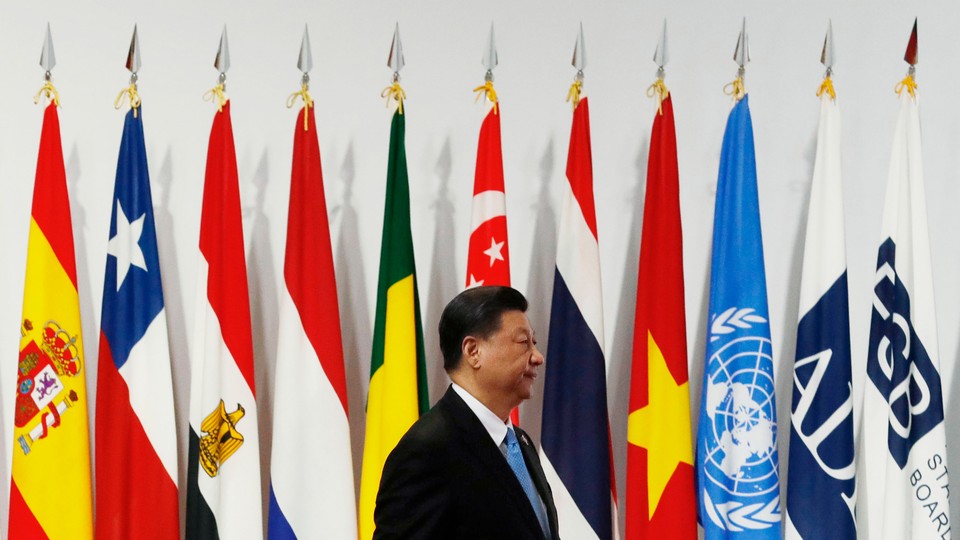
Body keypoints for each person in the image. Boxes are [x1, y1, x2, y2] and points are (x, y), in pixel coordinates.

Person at [373, 286, 558, 539]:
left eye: (533, 343)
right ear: (473, 352)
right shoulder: (426, 451)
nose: (537, 357)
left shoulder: (520, 443)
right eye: (523, 342)